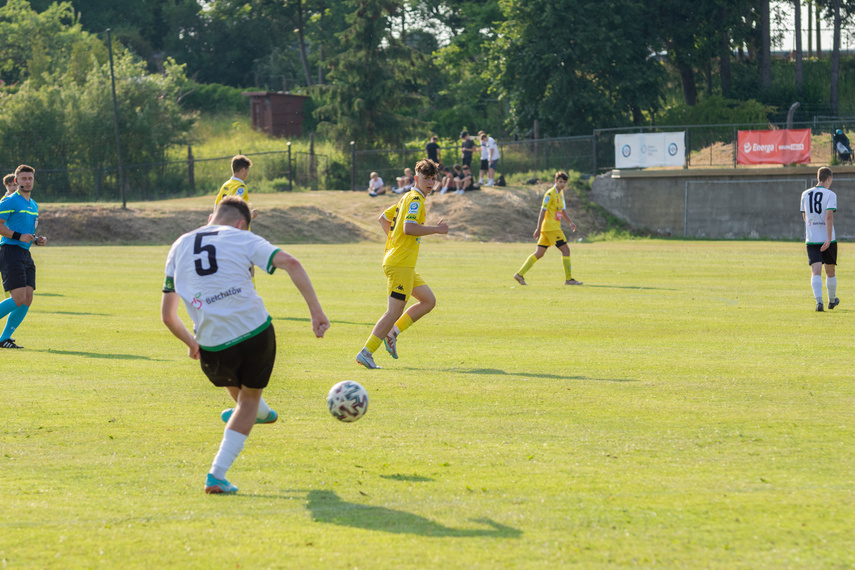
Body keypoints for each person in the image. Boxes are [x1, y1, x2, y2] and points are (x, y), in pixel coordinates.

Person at [161, 196, 329, 494]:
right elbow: (291, 262)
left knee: (239, 388)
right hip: (254, 333)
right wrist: (316, 312)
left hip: (210, 344)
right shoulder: (242, 237)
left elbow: (167, 315)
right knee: (249, 400)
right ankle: (217, 473)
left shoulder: (179, 245)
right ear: (242, 223)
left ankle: (256, 412)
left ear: (212, 216)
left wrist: (190, 343)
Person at [356, 159, 449, 369]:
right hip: (400, 264)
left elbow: (383, 219)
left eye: (433, 179)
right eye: (426, 178)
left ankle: (393, 332)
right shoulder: (415, 199)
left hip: (401, 262)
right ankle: (366, 352)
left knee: (428, 301)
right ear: (416, 178)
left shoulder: (406, 197)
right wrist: (437, 229)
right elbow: (408, 228)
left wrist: (395, 243)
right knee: (393, 312)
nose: (430, 183)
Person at [0, 165, 48, 349]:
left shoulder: (33, 204)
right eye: (24, 178)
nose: (27, 181)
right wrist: (18, 236)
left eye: (30, 178)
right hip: (10, 252)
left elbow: (26, 231)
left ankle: (4, 338)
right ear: (16, 181)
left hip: (25, 253)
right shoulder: (10, 201)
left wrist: (37, 240)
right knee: (18, 298)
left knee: (27, 299)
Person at [513, 171, 582, 286]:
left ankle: (519, 275)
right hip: (552, 228)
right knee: (566, 250)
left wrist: (570, 222)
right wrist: (538, 228)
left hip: (549, 229)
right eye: (560, 182)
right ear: (555, 181)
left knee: (539, 253)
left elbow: (562, 210)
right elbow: (542, 211)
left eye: (564, 182)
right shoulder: (550, 194)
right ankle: (569, 279)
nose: (562, 184)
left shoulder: (561, 193)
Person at [800, 166, 839, 311]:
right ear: (828, 178)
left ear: (818, 178)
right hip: (828, 239)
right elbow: (829, 216)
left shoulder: (805, 194)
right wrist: (828, 239)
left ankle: (819, 303)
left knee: (815, 271)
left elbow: (805, 217)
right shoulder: (831, 194)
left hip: (811, 238)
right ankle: (832, 300)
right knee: (830, 271)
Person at [214, 155, 258, 221]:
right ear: (243, 170)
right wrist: (250, 215)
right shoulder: (240, 187)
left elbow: (216, 207)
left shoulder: (225, 185)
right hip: (237, 227)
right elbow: (236, 208)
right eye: (247, 171)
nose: (247, 174)